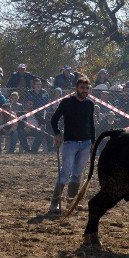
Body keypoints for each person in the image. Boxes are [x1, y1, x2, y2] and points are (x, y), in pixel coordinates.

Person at [48, 77, 96, 214]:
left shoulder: (90, 104)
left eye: (87, 88)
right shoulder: (66, 102)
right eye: (82, 88)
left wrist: (93, 142)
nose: (85, 91)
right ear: (77, 88)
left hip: (86, 143)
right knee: (65, 173)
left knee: (77, 175)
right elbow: (54, 119)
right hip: (70, 142)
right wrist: (57, 133)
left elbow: (91, 124)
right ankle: (55, 203)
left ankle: (71, 202)